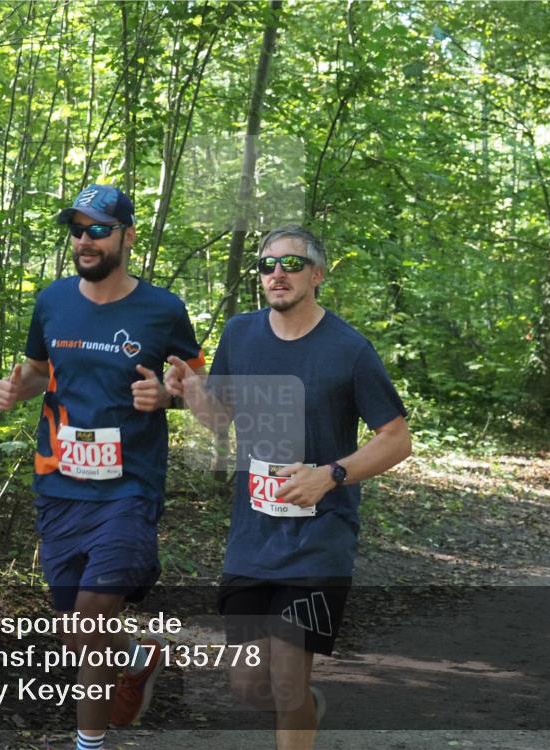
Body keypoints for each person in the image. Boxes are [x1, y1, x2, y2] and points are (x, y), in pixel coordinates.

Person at [166, 225, 411, 750]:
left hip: (319, 539)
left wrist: (332, 475)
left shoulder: (349, 349)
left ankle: (296, 707)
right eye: (267, 265)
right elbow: (219, 418)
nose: (277, 274)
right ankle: (303, 712)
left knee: (285, 678)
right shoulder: (240, 333)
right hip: (252, 537)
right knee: (247, 683)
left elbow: (397, 438)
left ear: (317, 275)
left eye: (292, 264)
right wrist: (189, 392)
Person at [0, 184, 205, 750]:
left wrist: (169, 396)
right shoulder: (53, 300)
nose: (84, 241)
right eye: (78, 230)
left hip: (129, 486)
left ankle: (90, 744)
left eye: (98, 229)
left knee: (91, 615)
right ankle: (135, 659)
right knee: (77, 633)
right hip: (59, 482)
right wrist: (17, 388)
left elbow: (201, 388)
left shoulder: (162, 310)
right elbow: (40, 370)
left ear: (127, 236)